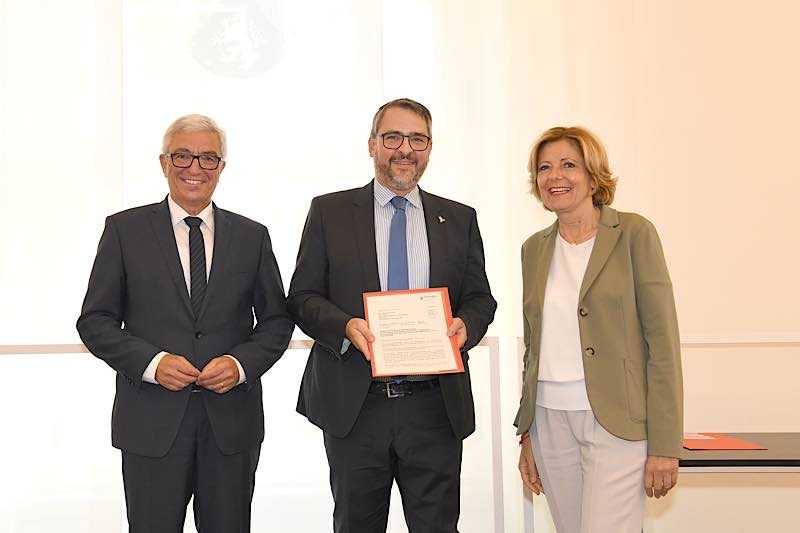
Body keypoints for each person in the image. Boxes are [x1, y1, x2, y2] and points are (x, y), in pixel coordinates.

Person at [288, 98, 496, 533]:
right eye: (393, 137)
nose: (406, 148)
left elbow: (480, 299)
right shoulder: (330, 212)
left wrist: (466, 326)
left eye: (417, 139)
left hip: (435, 407)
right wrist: (345, 326)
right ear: (372, 145)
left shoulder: (458, 218)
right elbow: (303, 296)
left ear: (430, 147)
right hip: (356, 406)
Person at [77, 114, 293, 533]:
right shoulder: (124, 231)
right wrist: (152, 363)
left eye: (208, 158)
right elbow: (95, 320)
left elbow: (276, 321)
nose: (195, 168)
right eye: (183, 156)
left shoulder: (253, 236)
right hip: (151, 427)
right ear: (164, 162)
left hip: (231, 428)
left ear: (221, 168)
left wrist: (240, 363)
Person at [515, 126, 683, 533]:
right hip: (548, 419)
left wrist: (664, 445)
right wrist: (526, 434)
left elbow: (662, 343)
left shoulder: (633, 234)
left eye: (568, 165)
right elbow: (533, 345)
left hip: (617, 422)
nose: (555, 176)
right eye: (544, 168)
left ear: (593, 176)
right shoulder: (534, 248)